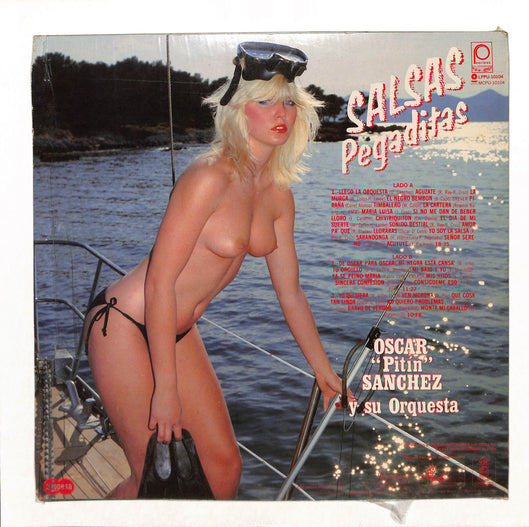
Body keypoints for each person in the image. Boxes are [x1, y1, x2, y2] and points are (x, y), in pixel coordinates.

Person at [85, 42, 345, 500]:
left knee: (224, 470)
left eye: (288, 102)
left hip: (178, 329)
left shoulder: (279, 196)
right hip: (124, 325)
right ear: (238, 109)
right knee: (151, 477)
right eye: (264, 101)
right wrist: (166, 390)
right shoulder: (207, 177)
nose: (280, 113)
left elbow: (291, 293)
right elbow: (160, 282)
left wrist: (323, 370)